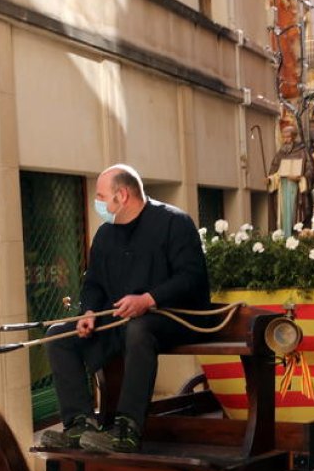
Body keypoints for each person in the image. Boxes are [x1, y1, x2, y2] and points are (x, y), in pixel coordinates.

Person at [40, 164, 211, 453]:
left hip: (173, 319)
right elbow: (92, 283)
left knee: (138, 327)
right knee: (58, 335)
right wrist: (90, 311)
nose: (98, 203)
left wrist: (148, 299)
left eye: (101, 196)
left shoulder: (174, 222)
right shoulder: (106, 235)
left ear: (122, 195)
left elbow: (191, 277)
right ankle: (79, 424)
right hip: (120, 320)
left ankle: (127, 430)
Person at [268, 125, 314, 235]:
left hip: (297, 191)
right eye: (283, 137)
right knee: (283, 218)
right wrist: (270, 180)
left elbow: (311, 171)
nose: (285, 140)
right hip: (282, 192)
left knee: (296, 217)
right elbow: (275, 172)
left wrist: (300, 178)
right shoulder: (279, 154)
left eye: (288, 137)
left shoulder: (303, 152)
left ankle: (295, 235)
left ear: (294, 137)